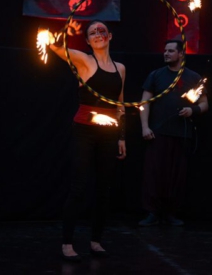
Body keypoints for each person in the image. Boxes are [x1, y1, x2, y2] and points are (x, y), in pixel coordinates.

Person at [47, 20, 126, 262]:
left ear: (110, 36)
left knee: (104, 189)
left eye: (102, 31)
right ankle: (68, 243)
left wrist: (122, 136)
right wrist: (57, 33)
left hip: (110, 132)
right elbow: (53, 46)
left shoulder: (120, 68)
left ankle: (96, 241)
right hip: (84, 130)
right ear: (88, 40)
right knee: (79, 186)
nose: (98, 34)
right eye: (92, 32)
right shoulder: (83, 60)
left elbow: (120, 104)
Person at [138, 39, 208, 227]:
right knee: (154, 173)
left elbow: (204, 103)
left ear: (181, 54)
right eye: (165, 50)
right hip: (157, 133)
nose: (166, 53)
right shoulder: (156, 75)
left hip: (181, 134)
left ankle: (171, 213)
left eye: (170, 51)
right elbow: (144, 103)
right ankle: (152, 212)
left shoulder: (193, 77)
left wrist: (193, 111)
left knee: (177, 175)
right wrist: (145, 127)